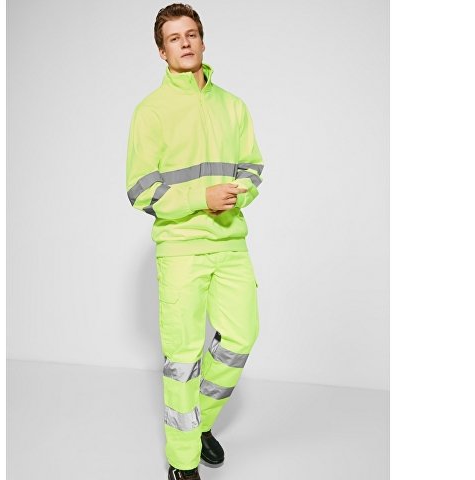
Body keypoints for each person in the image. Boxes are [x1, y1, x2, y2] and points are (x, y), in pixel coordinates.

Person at [125, 4, 264, 479]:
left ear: (203, 41)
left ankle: (200, 423)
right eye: (174, 38)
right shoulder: (150, 112)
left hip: (230, 244)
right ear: (161, 51)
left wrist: (236, 194)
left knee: (241, 337)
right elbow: (140, 189)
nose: (184, 43)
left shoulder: (233, 105)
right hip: (180, 249)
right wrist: (201, 198)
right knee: (183, 360)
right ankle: (183, 462)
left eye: (191, 34)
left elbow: (252, 167)